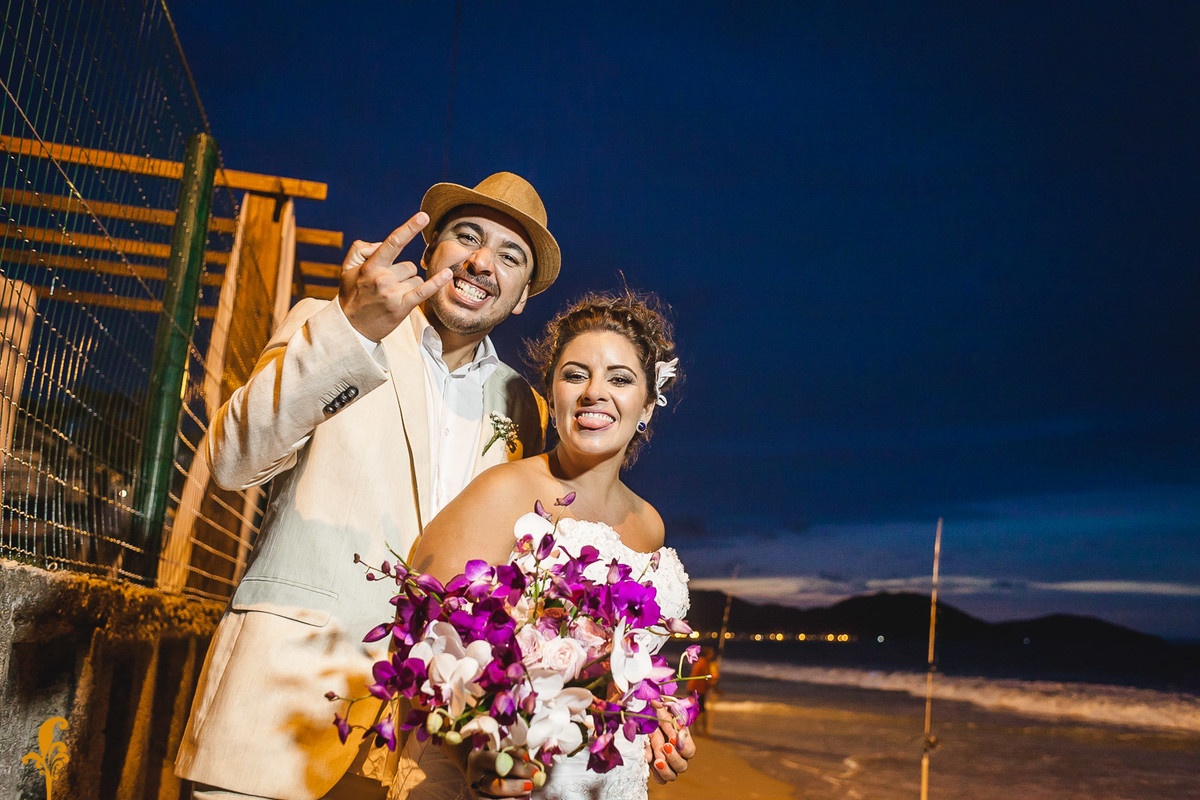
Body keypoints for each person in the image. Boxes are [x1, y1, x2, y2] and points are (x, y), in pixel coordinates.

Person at [174, 173, 560, 800]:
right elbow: (233, 461)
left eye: (510, 256)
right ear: (430, 249)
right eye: (468, 236)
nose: (483, 263)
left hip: (425, 746)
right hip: (282, 712)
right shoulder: (332, 325)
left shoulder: (527, 408)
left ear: (521, 298)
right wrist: (352, 330)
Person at [390, 292, 696, 800]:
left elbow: (620, 676)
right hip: (501, 778)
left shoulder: (650, 525)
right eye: (575, 375)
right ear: (552, 396)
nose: (594, 392)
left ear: (647, 406)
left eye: (620, 379)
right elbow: (420, 647)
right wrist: (476, 757)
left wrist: (654, 723)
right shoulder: (503, 492)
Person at [687, 647, 720, 736]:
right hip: (697, 690)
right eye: (711, 653)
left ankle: (697, 730)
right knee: (701, 711)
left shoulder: (701, 662)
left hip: (694, 688)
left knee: (698, 710)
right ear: (708, 654)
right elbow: (707, 677)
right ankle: (702, 731)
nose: (712, 655)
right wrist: (715, 687)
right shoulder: (704, 663)